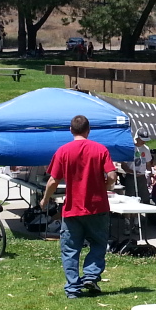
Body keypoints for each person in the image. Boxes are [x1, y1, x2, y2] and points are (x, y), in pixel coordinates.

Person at [43, 115, 117, 299]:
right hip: (98, 206)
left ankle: (73, 289)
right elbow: (112, 176)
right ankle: (90, 276)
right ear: (88, 130)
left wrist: (45, 199)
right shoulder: (100, 149)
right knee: (98, 243)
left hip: (72, 208)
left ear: (71, 130)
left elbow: (53, 180)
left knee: (70, 249)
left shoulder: (63, 151)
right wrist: (105, 187)